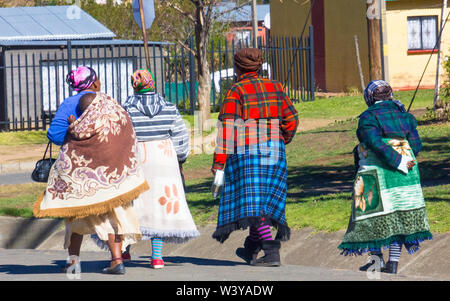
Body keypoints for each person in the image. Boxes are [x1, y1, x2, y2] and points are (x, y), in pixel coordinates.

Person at [36, 67, 148, 275]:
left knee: (76, 215)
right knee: (114, 214)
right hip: (110, 170)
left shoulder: (69, 104)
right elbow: (122, 128)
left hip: (81, 171)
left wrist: (78, 139)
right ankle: (116, 260)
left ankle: (73, 262)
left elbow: (55, 135)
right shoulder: (108, 101)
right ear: (94, 82)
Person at [211, 48, 299, 267]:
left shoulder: (236, 91)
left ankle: (270, 251)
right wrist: (280, 138)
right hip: (274, 150)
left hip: (248, 150)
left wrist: (219, 163)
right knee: (262, 199)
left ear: (238, 67)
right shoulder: (275, 87)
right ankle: (251, 246)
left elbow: (227, 129)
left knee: (255, 201)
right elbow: (292, 118)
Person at [338, 80, 433, 274]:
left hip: (375, 172)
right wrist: (404, 160)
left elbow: (373, 142)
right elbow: (416, 144)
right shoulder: (404, 116)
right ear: (390, 94)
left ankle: (377, 261)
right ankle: (393, 263)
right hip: (405, 175)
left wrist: (394, 159)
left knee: (371, 216)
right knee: (398, 215)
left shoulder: (368, 117)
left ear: (369, 98)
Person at [120, 69, 199, 269]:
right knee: (159, 206)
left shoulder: (127, 108)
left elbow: (122, 135)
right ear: (152, 83)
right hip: (164, 158)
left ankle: (125, 251)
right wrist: (180, 158)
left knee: (132, 204)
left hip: (138, 156)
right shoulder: (169, 107)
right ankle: (156, 258)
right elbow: (180, 135)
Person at [47, 66, 100, 145]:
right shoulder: (104, 101)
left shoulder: (67, 103)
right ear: (95, 84)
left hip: (73, 151)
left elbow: (54, 135)